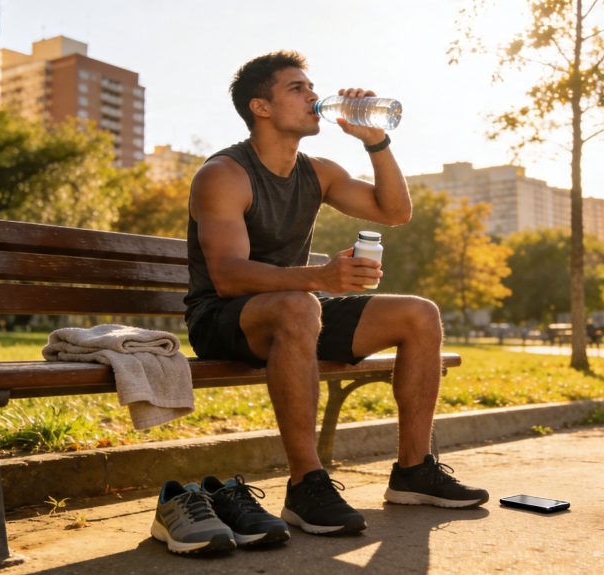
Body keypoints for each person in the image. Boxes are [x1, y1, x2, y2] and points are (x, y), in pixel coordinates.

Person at [182, 51, 488, 539]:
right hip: (224, 319)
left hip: (297, 310)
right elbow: (228, 276)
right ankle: (307, 485)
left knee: (419, 314)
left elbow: (394, 211)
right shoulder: (225, 173)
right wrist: (320, 278)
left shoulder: (318, 171)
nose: (313, 96)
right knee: (301, 306)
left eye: (310, 87)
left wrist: (376, 141)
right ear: (261, 107)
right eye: (296, 88)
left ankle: (413, 471)